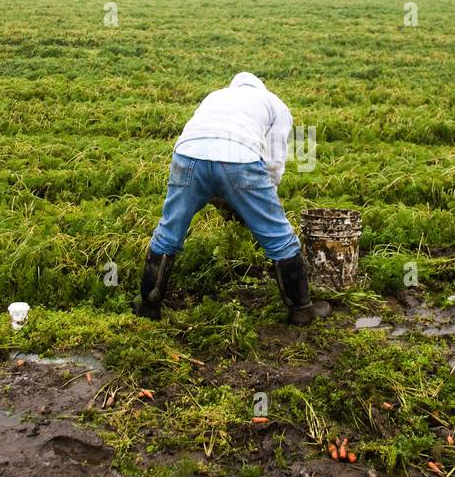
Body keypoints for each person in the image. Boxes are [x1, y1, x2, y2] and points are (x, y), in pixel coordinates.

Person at [136, 72, 331, 325]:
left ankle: (148, 305)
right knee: (279, 237)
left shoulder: (216, 95)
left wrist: (222, 196)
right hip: (240, 158)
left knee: (168, 232)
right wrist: (258, 202)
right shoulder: (274, 103)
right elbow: (273, 162)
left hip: (187, 155)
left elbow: (207, 148)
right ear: (261, 87)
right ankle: (302, 309)